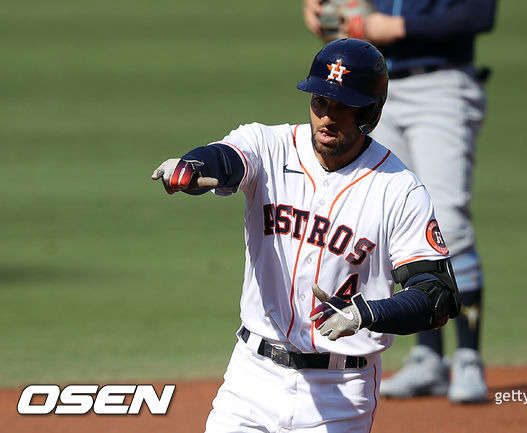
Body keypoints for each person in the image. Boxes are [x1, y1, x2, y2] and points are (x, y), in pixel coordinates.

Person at [151, 38, 462, 432]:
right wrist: (194, 165)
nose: (327, 117)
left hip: (342, 393)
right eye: (320, 102)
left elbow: (437, 297)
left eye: (343, 106)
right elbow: (227, 158)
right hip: (251, 379)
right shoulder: (269, 145)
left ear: (372, 112)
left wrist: (367, 313)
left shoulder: (399, 190)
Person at [302, 1, 497, 403]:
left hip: (441, 84)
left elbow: (479, 15)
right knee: (390, 221)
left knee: (449, 220)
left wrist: (396, 26)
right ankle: (427, 356)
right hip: (372, 93)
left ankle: (467, 358)